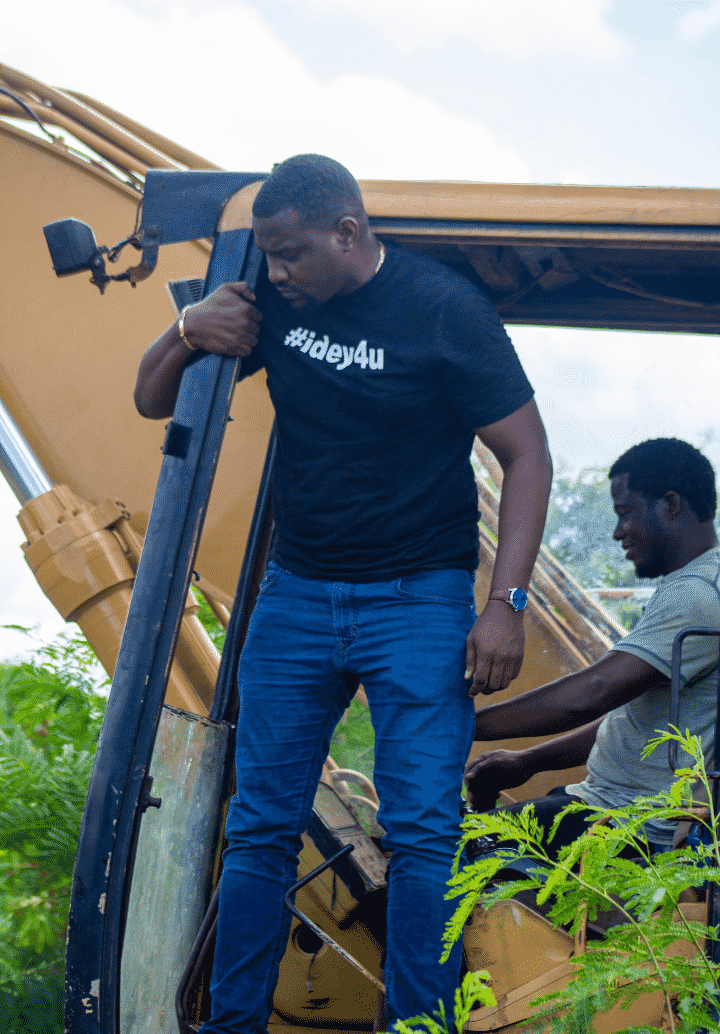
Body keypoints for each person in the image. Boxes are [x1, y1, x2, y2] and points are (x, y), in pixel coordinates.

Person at [134, 153, 552, 1033]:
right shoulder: (272, 305)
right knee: (257, 828)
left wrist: (503, 604)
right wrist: (186, 328)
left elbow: (526, 455)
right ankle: (232, 1024)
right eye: (269, 256)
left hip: (420, 599)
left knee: (425, 836)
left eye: (289, 254)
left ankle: (416, 1026)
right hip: (298, 596)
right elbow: (149, 398)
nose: (276, 272)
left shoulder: (445, 311)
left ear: (348, 234)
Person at [466, 437, 720, 856]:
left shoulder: (696, 594)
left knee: (434, 855)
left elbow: (595, 691)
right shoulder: (696, 584)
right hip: (598, 802)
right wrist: (526, 762)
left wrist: (464, 725)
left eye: (625, 513)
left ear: (671, 504)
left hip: (625, 825)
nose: (619, 532)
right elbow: (635, 723)